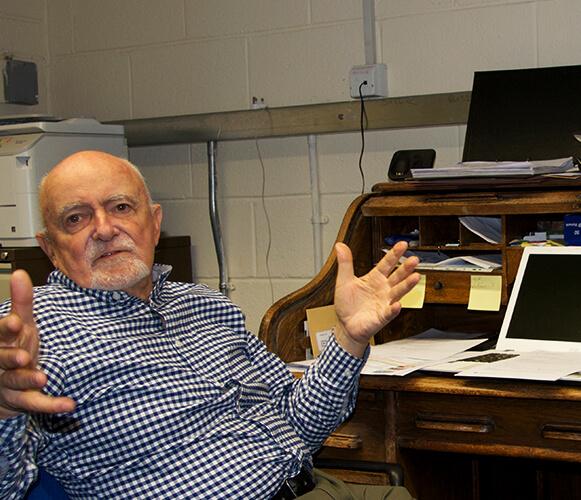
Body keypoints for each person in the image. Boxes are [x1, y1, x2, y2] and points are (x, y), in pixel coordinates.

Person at [0, 151, 421, 499]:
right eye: (75, 218)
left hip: (315, 489)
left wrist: (348, 339)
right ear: (50, 248)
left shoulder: (204, 304)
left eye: (121, 207)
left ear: (154, 221)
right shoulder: (24, 334)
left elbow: (300, 423)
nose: (105, 228)